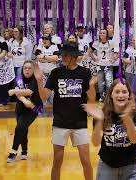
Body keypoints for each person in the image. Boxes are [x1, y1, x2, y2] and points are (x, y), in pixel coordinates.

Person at [34, 43, 96, 180]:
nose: (62, 57)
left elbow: (92, 99)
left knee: (86, 161)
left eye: (65, 55)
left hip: (80, 122)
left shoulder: (85, 73)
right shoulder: (56, 73)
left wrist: (91, 86)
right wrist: (39, 81)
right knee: (57, 161)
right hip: (60, 122)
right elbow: (44, 96)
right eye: (62, 54)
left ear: (74, 56)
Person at [84, 79, 136, 180]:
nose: (121, 95)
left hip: (132, 167)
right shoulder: (101, 115)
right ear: (111, 95)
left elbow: (134, 139)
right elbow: (95, 142)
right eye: (117, 92)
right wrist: (100, 121)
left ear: (129, 95)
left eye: (124, 92)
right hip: (107, 167)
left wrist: (127, 118)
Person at [6, 60, 43, 163]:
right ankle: (24, 151)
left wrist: (14, 91)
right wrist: (24, 100)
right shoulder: (18, 79)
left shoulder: (36, 80)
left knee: (19, 128)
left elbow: (29, 91)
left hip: (33, 108)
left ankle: (13, 151)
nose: (27, 70)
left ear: (33, 70)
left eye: (29, 68)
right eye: (25, 68)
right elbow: (17, 94)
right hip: (20, 107)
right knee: (23, 129)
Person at [89, 29, 118, 102]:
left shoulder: (111, 43)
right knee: (100, 83)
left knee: (109, 82)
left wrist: (114, 59)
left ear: (107, 34)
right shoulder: (96, 43)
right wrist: (94, 58)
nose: (102, 34)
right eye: (101, 33)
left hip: (108, 66)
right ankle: (102, 97)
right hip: (99, 65)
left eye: (104, 33)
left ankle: (108, 97)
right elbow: (89, 51)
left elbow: (117, 51)